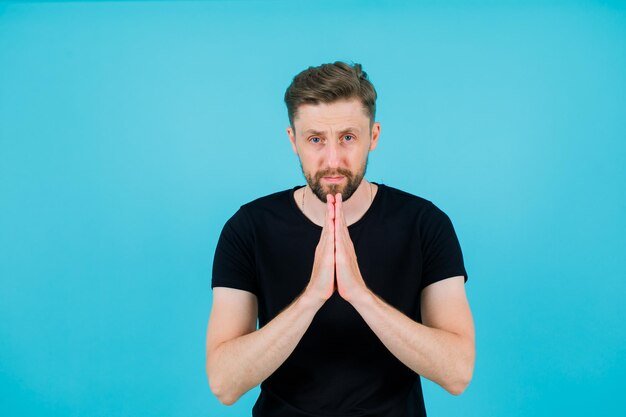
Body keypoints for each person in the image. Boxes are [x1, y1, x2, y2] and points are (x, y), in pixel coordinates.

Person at [205, 61, 475, 417]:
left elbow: (457, 373)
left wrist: (360, 294)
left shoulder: (425, 224)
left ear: (373, 137)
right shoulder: (248, 228)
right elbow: (224, 383)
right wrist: (312, 297)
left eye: (348, 137)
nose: (333, 161)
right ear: (293, 141)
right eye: (316, 139)